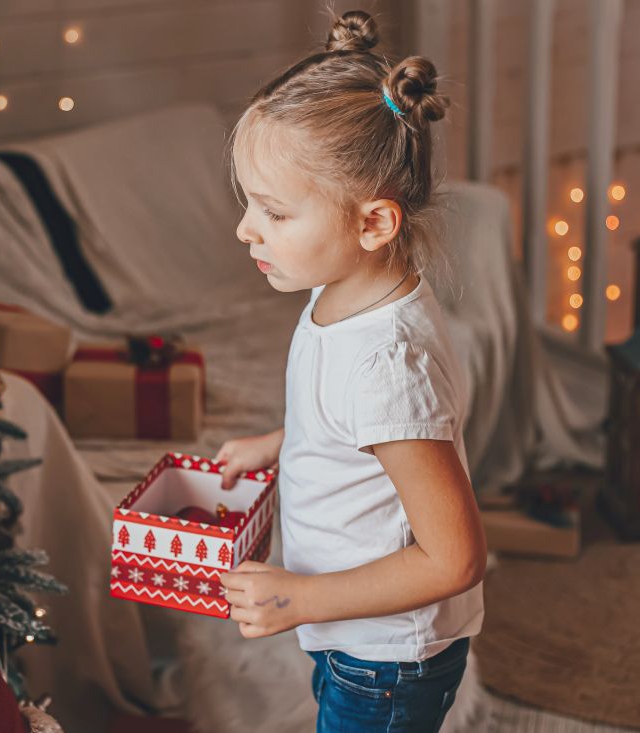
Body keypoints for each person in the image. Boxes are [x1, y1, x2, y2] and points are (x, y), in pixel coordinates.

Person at [214, 9, 487, 732]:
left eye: (272, 212)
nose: (246, 229)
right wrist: (281, 440)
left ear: (373, 224)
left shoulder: (387, 365)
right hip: (352, 639)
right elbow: (350, 420)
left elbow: (455, 557)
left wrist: (299, 599)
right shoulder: (340, 293)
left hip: (387, 657)